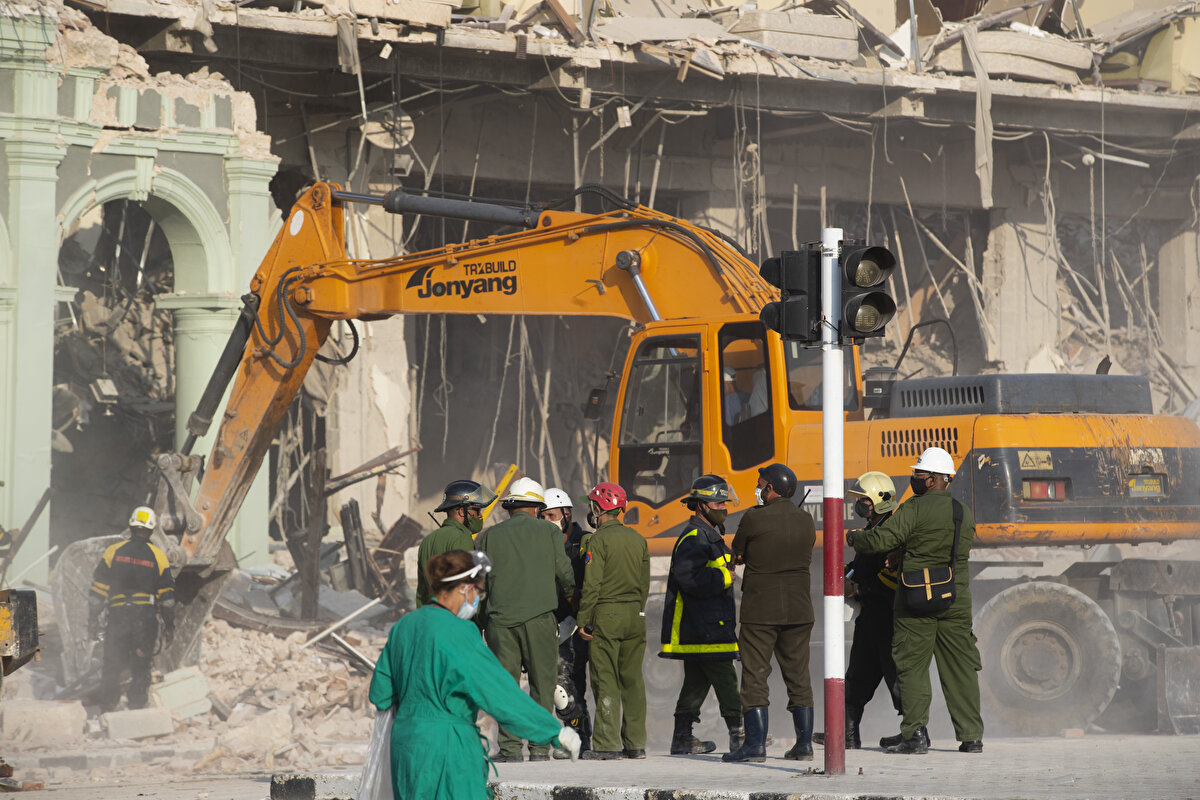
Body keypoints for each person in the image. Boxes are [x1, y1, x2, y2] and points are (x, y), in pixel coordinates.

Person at [369, 550, 581, 800]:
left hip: (406, 748)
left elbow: (380, 694)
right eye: (478, 592)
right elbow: (499, 694)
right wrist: (553, 733)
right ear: (464, 588)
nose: (478, 598)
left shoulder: (405, 626)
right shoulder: (460, 633)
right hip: (449, 749)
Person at [847, 447, 984, 755]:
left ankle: (914, 735)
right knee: (960, 667)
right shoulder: (963, 511)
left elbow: (881, 540)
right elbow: (946, 549)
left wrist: (856, 539)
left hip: (916, 598)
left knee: (911, 666)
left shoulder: (914, 507)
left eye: (919, 475)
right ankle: (971, 736)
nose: (914, 479)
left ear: (935, 480)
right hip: (955, 599)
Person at [475, 476, 576, 762]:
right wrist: (573, 597)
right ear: (535, 507)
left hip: (500, 622)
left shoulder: (489, 536)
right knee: (542, 685)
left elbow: (481, 584)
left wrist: (482, 622)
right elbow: (564, 573)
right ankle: (540, 748)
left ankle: (508, 750)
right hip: (539, 621)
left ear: (510, 507)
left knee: (505, 688)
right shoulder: (550, 532)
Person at [725, 463, 816, 763]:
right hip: (799, 609)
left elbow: (737, 553)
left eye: (761, 483)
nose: (758, 488)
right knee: (799, 676)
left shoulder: (753, 517)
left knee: (754, 676)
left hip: (760, 610)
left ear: (772, 489)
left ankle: (755, 745)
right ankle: (804, 745)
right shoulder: (806, 521)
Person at [815, 471, 906, 749]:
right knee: (857, 676)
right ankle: (846, 735)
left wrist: (861, 589)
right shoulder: (872, 530)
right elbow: (863, 568)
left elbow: (890, 579)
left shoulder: (891, 532)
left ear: (879, 500)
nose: (859, 506)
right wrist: (846, 576)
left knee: (898, 678)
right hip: (869, 618)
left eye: (864, 501)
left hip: (888, 618)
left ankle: (915, 733)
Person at [660, 474, 742, 757]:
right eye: (718, 503)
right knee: (725, 677)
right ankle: (740, 734)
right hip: (705, 626)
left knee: (696, 681)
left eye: (724, 502)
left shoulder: (708, 536)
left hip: (703, 625)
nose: (723, 507)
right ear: (701, 506)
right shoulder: (695, 536)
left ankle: (682, 737)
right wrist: (725, 576)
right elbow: (690, 577)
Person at [574, 482, 650, 760]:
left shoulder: (597, 541)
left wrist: (584, 621)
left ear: (599, 508)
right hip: (635, 616)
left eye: (592, 506)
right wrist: (636, 610)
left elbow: (592, 585)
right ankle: (636, 744)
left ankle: (607, 745)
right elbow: (644, 584)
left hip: (607, 615)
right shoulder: (638, 539)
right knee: (633, 680)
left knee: (605, 680)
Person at [87, 506, 176, 712]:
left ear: (130, 526)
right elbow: (168, 598)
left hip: (118, 616)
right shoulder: (158, 556)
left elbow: (97, 593)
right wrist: (169, 625)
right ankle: (136, 706)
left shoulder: (113, 552)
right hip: (144, 618)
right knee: (141, 662)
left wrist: (93, 620)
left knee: (112, 662)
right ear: (152, 530)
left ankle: (108, 708)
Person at [542, 487, 592, 753]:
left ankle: (582, 739)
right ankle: (572, 739)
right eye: (543, 516)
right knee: (560, 685)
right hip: (554, 623)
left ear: (566, 513)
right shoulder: (541, 543)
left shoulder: (584, 541)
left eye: (551, 515)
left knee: (578, 683)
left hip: (579, 622)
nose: (547, 521)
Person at [416, 479, 497, 607]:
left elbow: (421, 592)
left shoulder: (428, 540)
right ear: (460, 511)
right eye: (477, 510)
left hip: (430, 616)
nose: (480, 516)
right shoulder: (461, 537)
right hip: (454, 616)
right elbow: (468, 587)